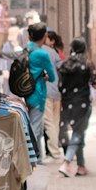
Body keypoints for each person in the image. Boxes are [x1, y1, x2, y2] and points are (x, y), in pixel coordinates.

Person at [11, 20, 56, 161]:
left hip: (26, 93)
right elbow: (53, 77)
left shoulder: (26, 50)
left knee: (31, 125)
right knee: (35, 128)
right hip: (38, 94)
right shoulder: (42, 54)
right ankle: (32, 159)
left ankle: (38, 157)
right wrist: (45, 75)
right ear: (44, 36)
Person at [58, 37, 96, 177]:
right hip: (82, 102)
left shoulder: (65, 64)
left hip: (67, 102)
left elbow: (60, 85)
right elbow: (95, 81)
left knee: (79, 132)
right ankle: (66, 163)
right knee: (78, 133)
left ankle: (81, 166)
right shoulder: (87, 63)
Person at [43, 29, 64, 161]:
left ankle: (54, 152)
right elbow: (61, 67)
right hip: (57, 90)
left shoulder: (40, 51)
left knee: (49, 122)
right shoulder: (55, 53)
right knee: (55, 122)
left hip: (46, 90)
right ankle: (55, 150)